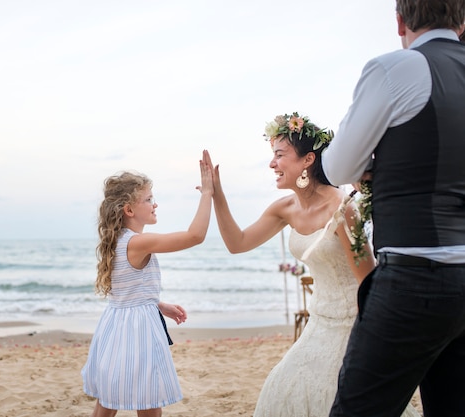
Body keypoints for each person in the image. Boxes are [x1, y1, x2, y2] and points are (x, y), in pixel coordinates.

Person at [203, 113, 420, 417]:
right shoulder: (285, 208)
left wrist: (369, 344)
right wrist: (217, 196)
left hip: (352, 326)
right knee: (282, 388)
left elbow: (368, 282)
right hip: (318, 322)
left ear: (306, 160)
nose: (272, 164)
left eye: (279, 155)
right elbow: (237, 243)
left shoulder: (342, 208)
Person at [320, 1, 465, 416]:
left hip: (416, 280)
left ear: (399, 21)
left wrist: (377, 164)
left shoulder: (397, 68)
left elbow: (337, 166)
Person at [81, 153, 214, 417]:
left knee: (108, 399)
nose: (155, 204)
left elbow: (128, 291)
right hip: (138, 330)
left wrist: (158, 304)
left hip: (115, 327)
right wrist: (207, 194)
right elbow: (195, 236)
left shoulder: (119, 240)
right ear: (129, 210)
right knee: (148, 398)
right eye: (149, 199)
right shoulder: (138, 242)